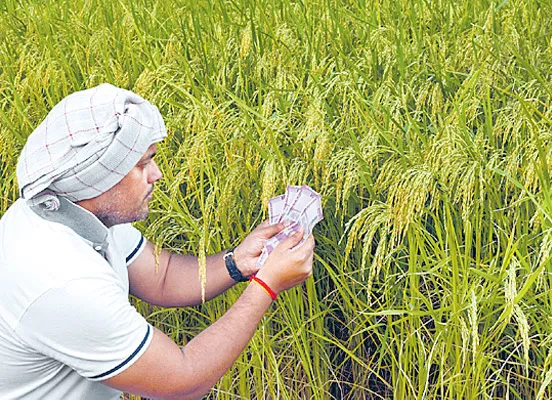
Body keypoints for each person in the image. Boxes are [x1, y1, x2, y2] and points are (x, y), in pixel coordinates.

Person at [0, 83, 315, 400]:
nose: (157, 173)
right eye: (142, 164)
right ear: (99, 177)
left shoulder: (77, 209)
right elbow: (183, 382)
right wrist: (267, 286)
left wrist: (238, 263)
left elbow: (162, 278)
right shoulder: (63, 280)